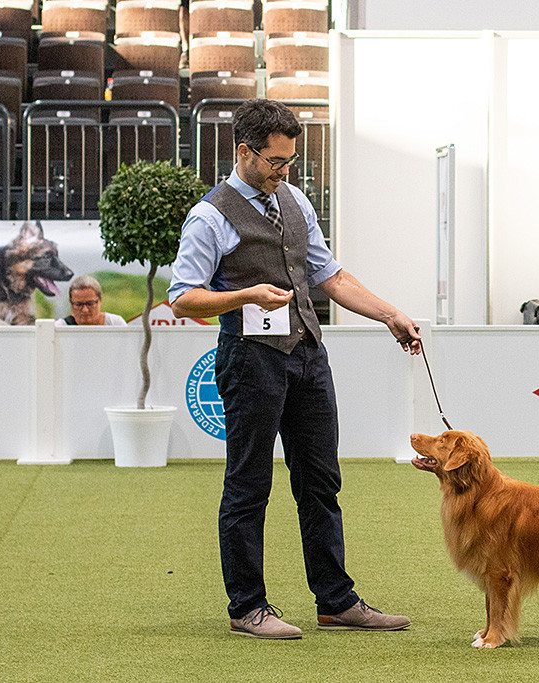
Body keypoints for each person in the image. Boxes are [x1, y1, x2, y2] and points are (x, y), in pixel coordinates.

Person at [169, 99, 421, 639]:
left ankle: (336, 602)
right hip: (249, 360)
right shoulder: (209, 215)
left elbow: (330, 275)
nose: (285, 171)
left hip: (308, 354)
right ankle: (248, 608)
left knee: (321, 482)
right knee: (249, 485)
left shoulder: (296, 200)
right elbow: (182, 300)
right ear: (244, 151)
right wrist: (244, 296)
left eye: (290, 161)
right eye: (276, 161)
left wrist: (390, 315)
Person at [56, 275, 127, 326]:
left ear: (100, 300)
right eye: (78, 304)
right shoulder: (60, 327)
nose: (85, 310)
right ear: (71, 303)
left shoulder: (115, 324)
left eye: (90, 303)